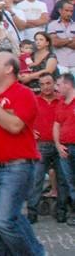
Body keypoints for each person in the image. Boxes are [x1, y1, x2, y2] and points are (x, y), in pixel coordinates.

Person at [0, 52, 44, 255]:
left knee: (3, 221)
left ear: (9, 69)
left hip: (17, 167)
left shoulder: (24, 94)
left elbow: (14, 126)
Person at [28, 72, 69, 224]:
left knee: (63, 179)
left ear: (54, 84)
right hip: (41, 145)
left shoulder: (62, 100)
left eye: (48, 83)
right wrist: (29, 129)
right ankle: (32, 212)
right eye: (42, 84)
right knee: (36, 179)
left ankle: (61, 211)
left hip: (60, 145)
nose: (46, 87)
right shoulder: (34, 100)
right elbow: (24, 117)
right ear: (39, 86)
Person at [54, 73, 75, 226]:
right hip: (65, 147)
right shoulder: (61, 102)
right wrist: (57, 144)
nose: (57, 88)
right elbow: (56, 124)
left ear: (68, 85)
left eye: (59, 85)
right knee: (70, 182)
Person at [49, 0, 75, 72]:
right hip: (60, 63)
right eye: (66, 10)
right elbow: (55, 43)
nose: (69, 13)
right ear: (60, 10)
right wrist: (70, 39)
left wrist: (61, 41)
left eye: (71, 11)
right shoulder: (52, 25)